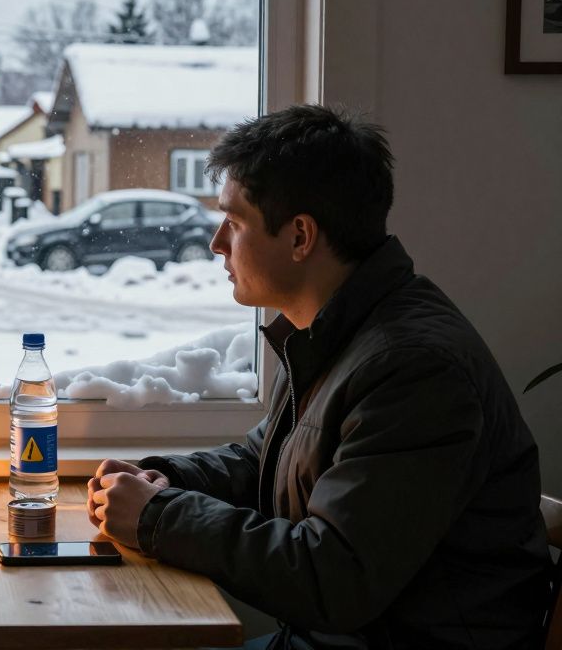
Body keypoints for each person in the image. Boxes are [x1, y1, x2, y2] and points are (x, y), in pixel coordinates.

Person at [87, 105, 551, 649]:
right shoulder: (333, 329)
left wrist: (160, 518)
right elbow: (266, 460)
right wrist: (162, 477)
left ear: (301, 236)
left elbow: (334, 579)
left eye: (234, 223)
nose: (216, 243)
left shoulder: (414, 369)